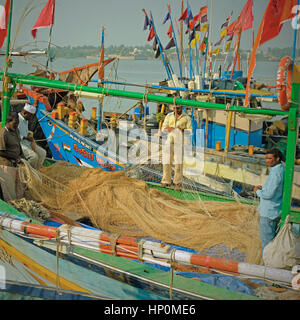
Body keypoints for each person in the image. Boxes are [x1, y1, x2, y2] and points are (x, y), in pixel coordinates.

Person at [253, 148, 285, 256]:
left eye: (270, 158)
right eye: (266, 158)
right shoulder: (281, 168)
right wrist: (264, 187)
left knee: (266, 244)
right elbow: (275, 188)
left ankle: (265, 268)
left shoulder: (276, 173)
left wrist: (258, 192)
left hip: (268, 213)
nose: (267, 161)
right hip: (276, 210)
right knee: (271, 242)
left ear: (277, 158)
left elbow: (269, 194)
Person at [161, 105, 192, 191]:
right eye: (174, 108)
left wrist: (182, 130)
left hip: (179, 142)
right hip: (169, 141)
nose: (176, 110)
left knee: (178, 163)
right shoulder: (169, 116)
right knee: (166, 161)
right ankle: (166, 181)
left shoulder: (186, 118)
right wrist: (169, 129)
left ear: (181, 107)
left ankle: (177, 183)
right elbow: (163, 129)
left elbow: (190, 131)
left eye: (178, 108)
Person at [0, 112, 25, 201]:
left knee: (19, 185)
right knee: (10, 188)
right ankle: (11, 203)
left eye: (18, 123)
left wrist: (22, 156)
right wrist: (14, 157)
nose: (16, 125)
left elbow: (18, 145)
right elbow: (1, 152)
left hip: (16, 162)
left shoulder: (16, 130)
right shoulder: (3, 134)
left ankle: (19, 201)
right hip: (7, 164)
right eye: (15, 123)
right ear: (8, 122)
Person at [18, 103, 46, 170]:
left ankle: (37, 169)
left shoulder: (25, 120)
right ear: (25, 113)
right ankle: (28, 171)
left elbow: (24, 131)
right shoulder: (16, 119)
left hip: (27, 142)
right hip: (19, 144)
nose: (31, 118)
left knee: (43, 153)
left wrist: (28, 134)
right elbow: (13, 135)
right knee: (34, 157)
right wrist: (26, 137)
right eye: (30, 116)